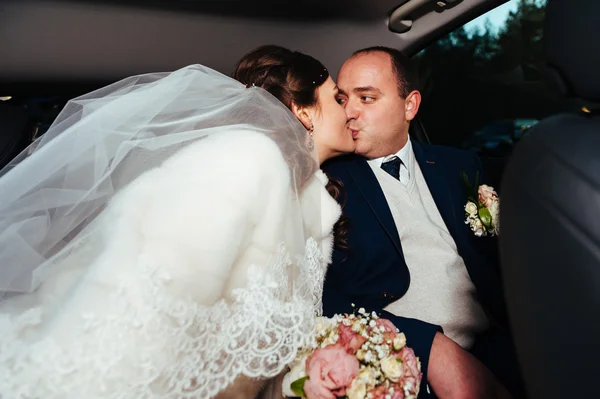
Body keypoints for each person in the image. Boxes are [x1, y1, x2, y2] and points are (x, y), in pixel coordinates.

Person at [0, 46, 354, 398]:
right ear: (304, 111)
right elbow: (137, 320)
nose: (350, 110)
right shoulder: (243, 161)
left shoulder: (311, 208)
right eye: (338, 98)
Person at [322, 46, 523, 398]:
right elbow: (324, 297)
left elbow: (502, 259)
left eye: (366, 98)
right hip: (406, 364)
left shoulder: (459, 165)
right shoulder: (327, 184)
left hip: (499, 343)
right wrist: (425, 348)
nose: (349, 112)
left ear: (409, 106)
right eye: (343, 99)